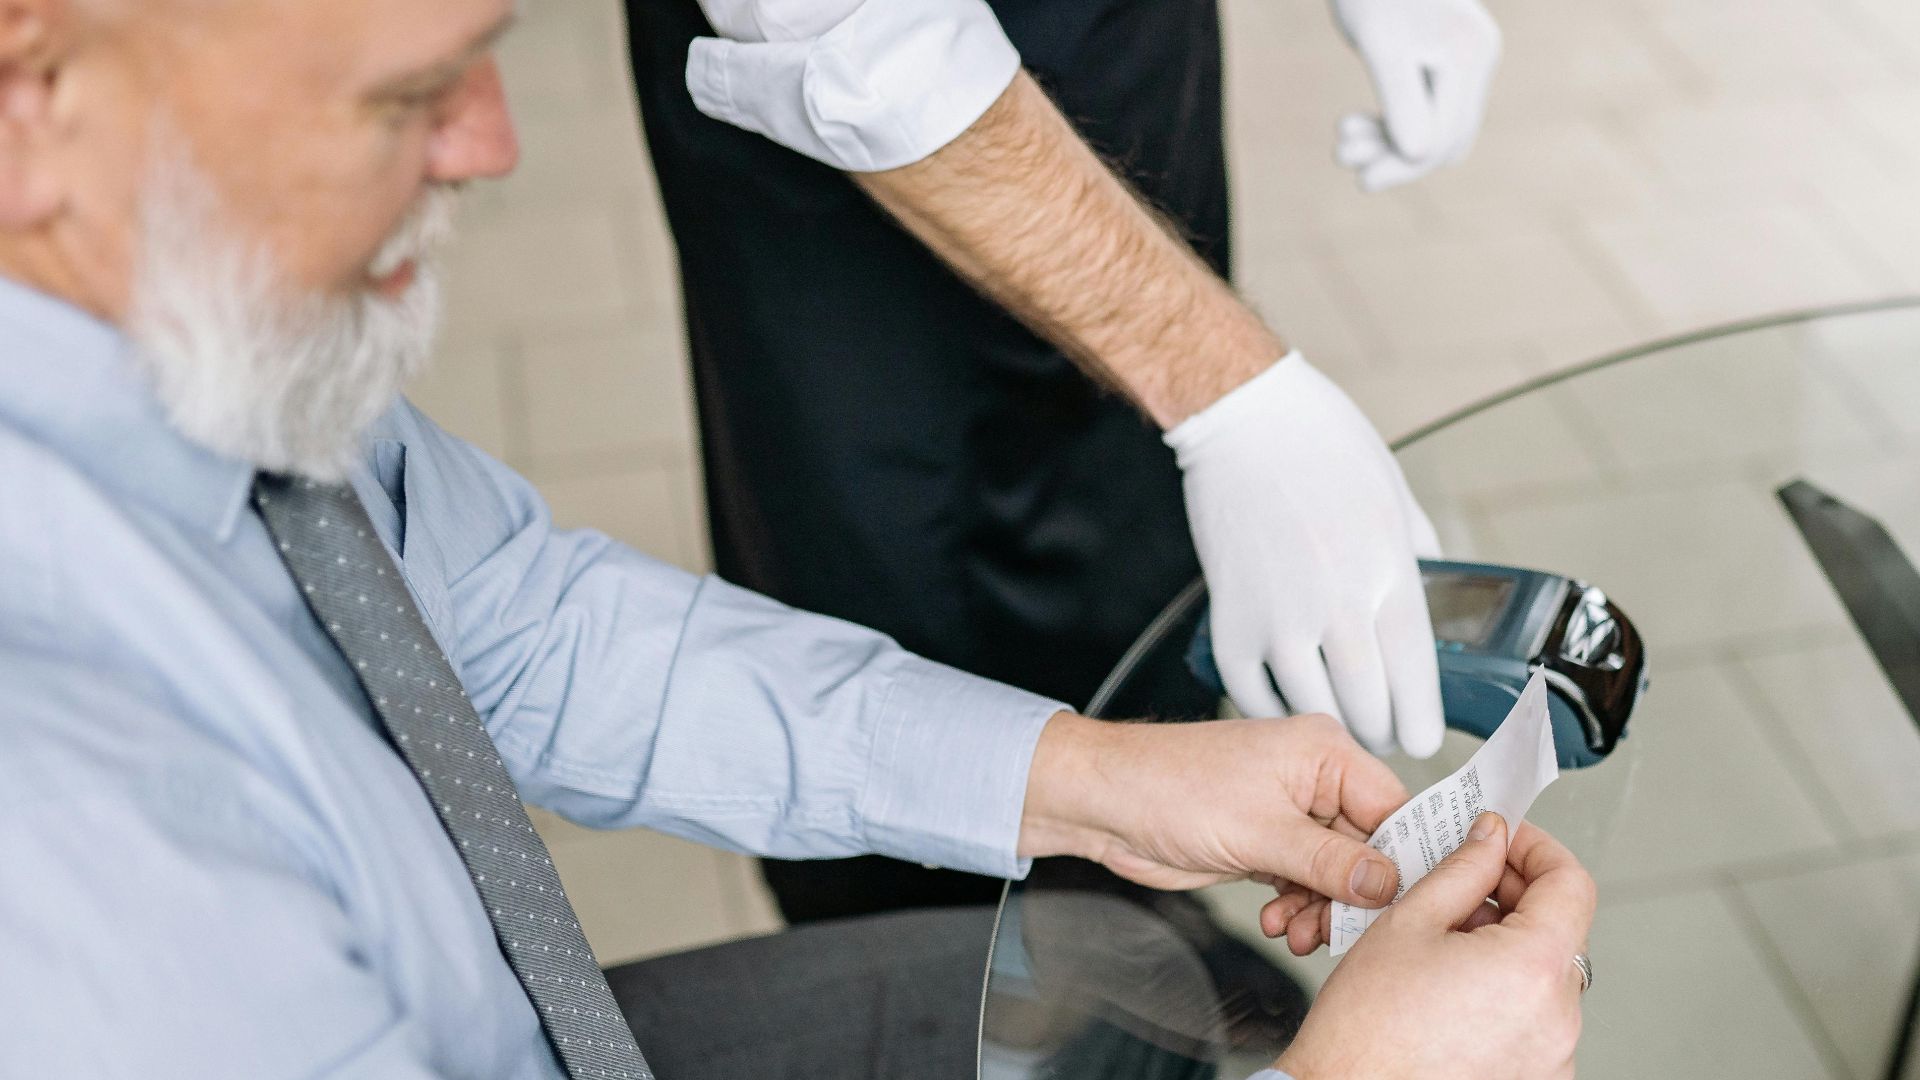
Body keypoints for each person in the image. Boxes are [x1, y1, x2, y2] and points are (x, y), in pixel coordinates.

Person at [0, 0, 1590, 1078]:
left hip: (509, 1018)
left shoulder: (178, 345)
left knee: (1150, 985)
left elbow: (522, 626)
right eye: (407, 93)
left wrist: (1091, 780)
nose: (496, 145)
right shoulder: (72, 838)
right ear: (34, 96)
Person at [622, 0, 1503, 922]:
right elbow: (850, 37)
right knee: (898, 623)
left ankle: (1141, 920)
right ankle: (932, 982)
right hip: (842, 131)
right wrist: (1226, 385)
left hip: (1118, 53)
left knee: (1148, 562)